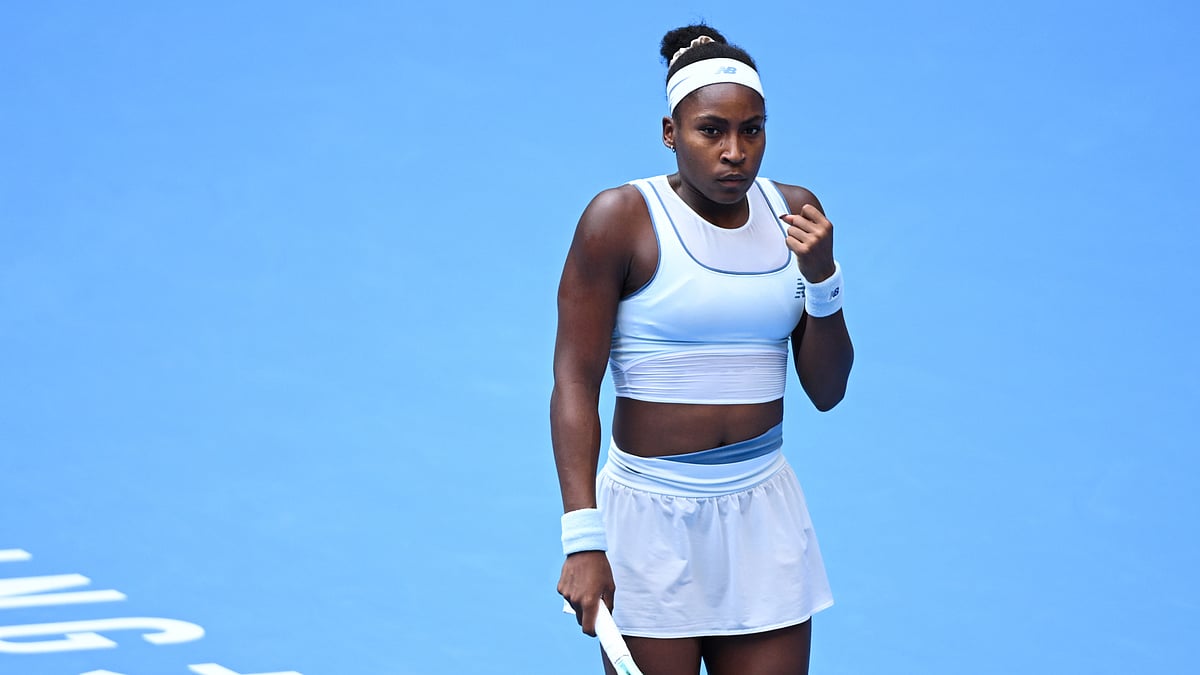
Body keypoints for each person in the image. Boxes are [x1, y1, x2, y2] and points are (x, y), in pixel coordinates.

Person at [552, 23, 854, 675]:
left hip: (763, 518)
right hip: (647, 524)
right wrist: (583, 537)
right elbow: (575, 381)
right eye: (711, 130)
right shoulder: (619, 219)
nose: (735, 152)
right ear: (670, 133)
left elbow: (828, 392)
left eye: (753, 130)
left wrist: (823, 279)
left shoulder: (796, 215)